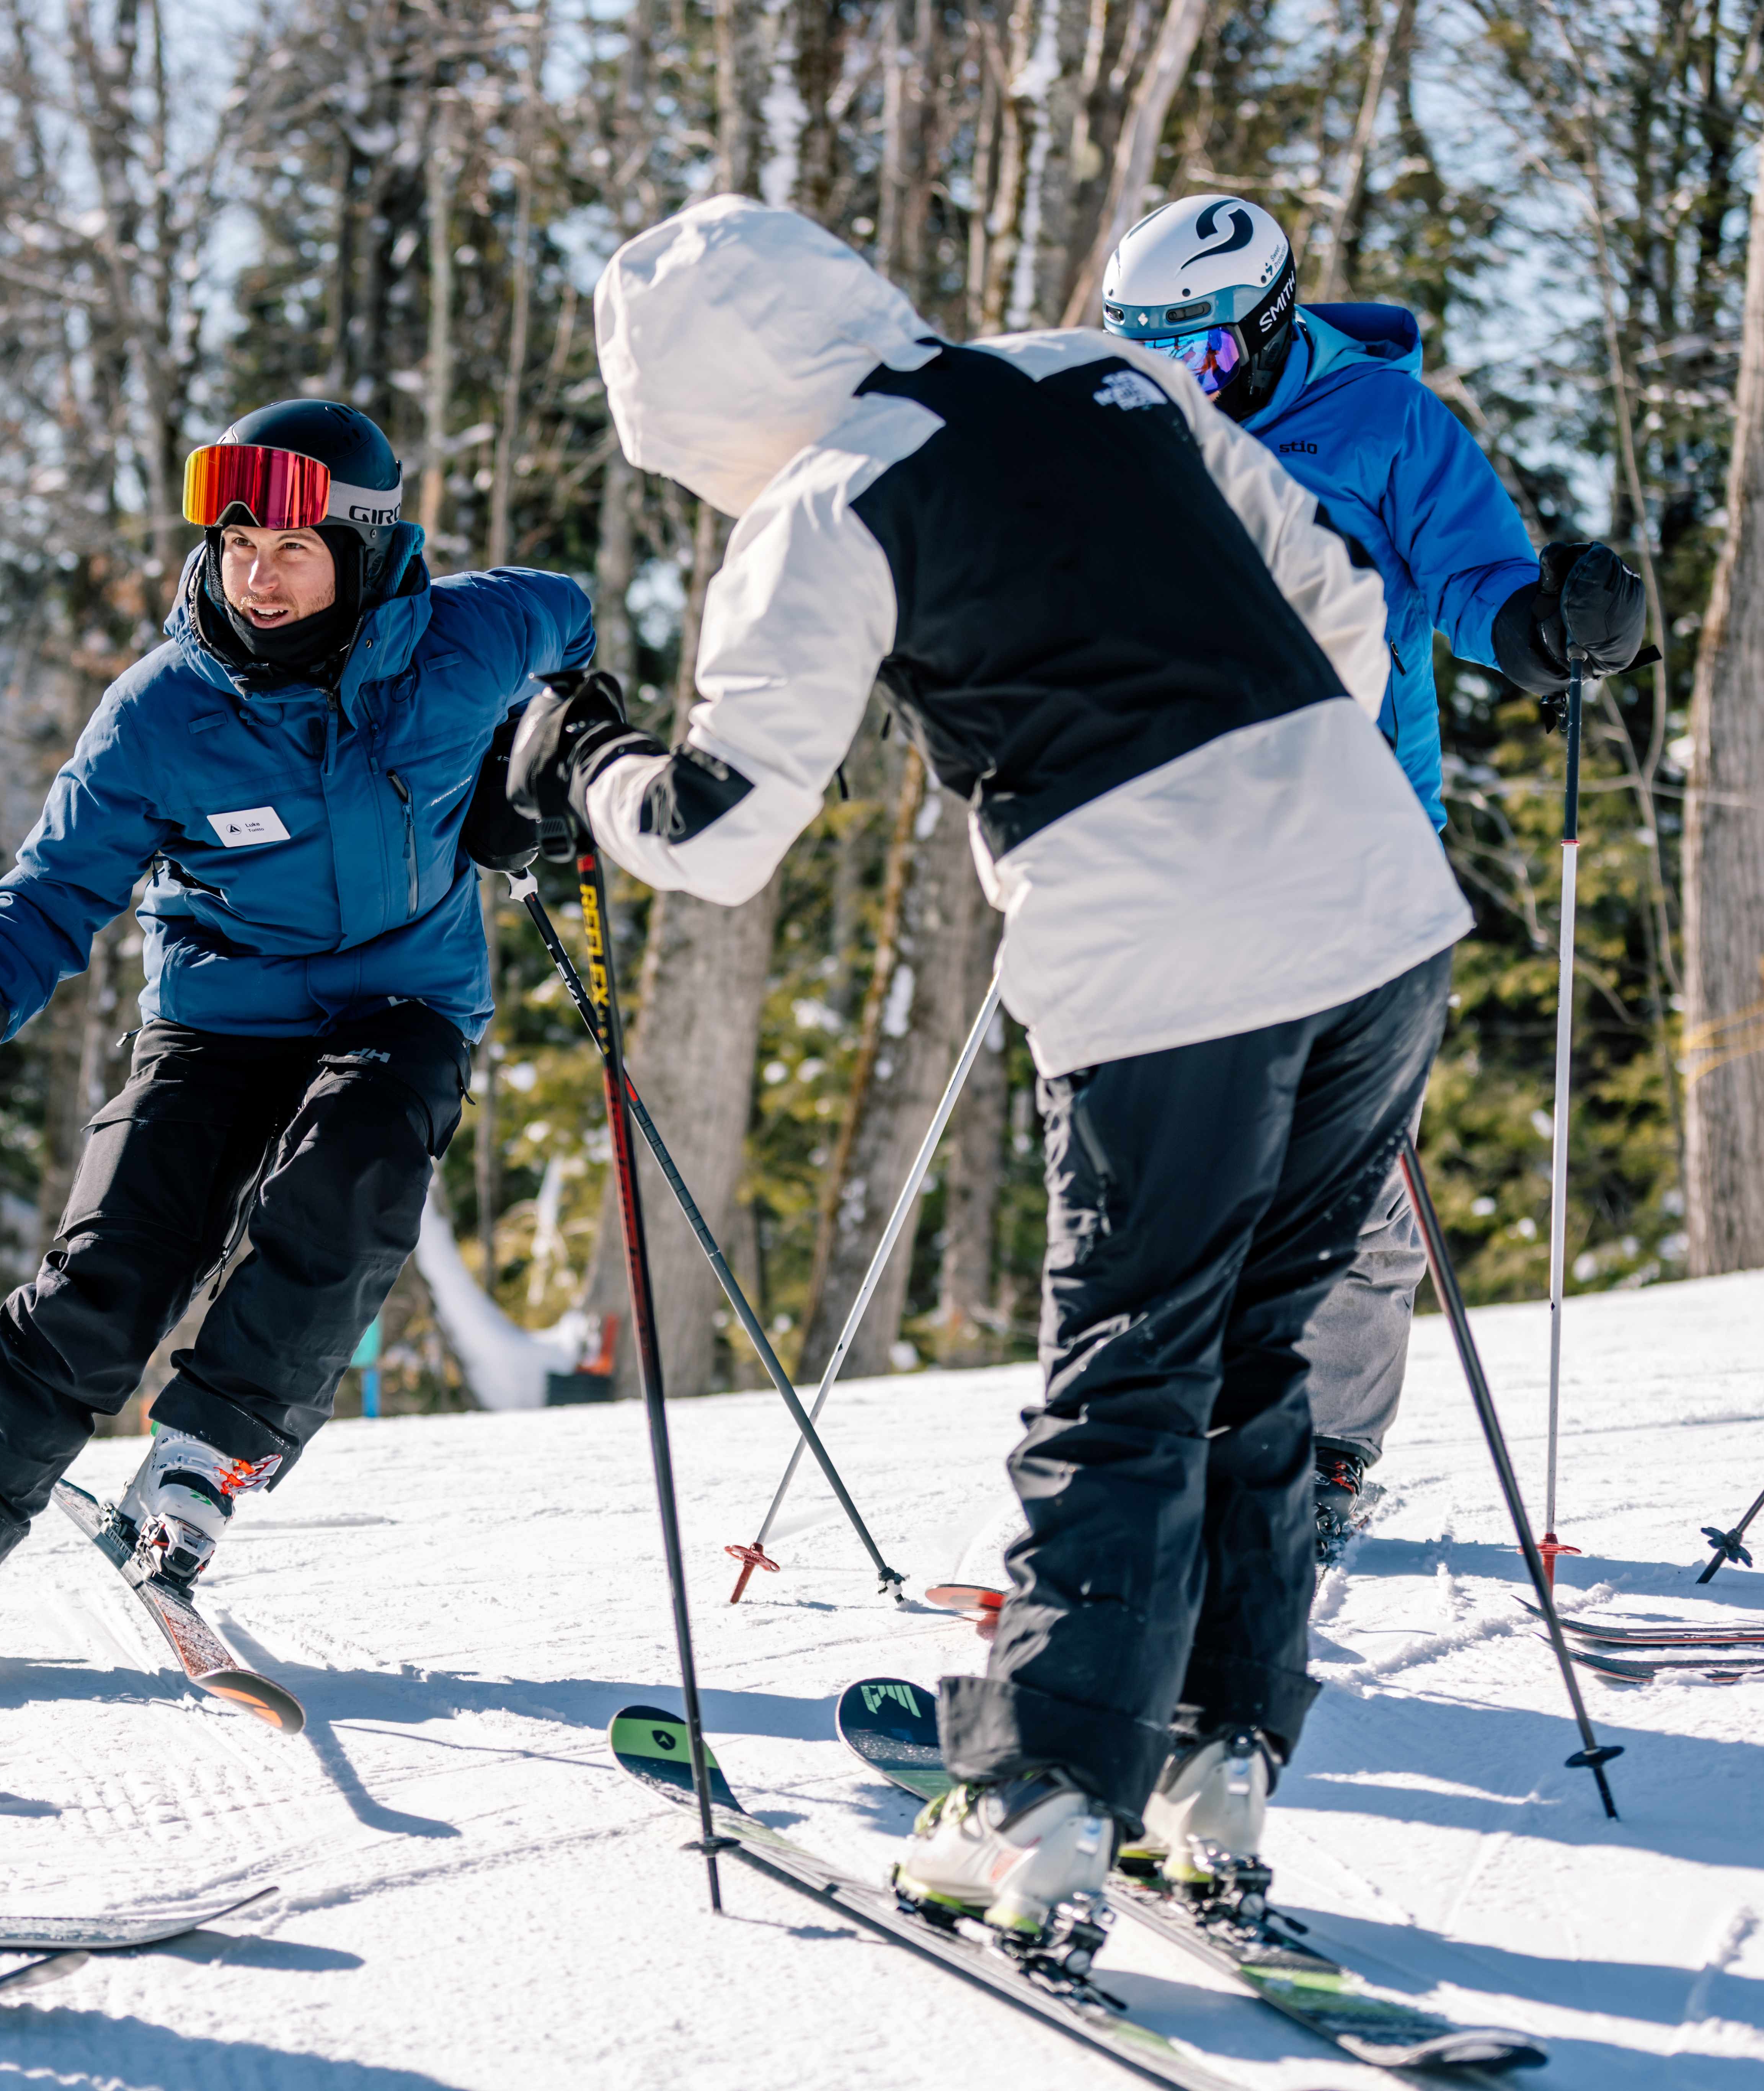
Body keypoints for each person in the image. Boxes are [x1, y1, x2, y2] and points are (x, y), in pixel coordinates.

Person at [513, 193, 1459, 1943]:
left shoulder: (824, 502)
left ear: (700, 414)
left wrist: (585, 765)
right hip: (1383, 911)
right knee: (1255, 1359)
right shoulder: (1099, 374)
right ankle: (1209, 1765)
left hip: (1166, 963)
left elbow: (716, 834)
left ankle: (1025, 1805)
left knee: (1129, 1371)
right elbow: (1339, 607)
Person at [0, 399, 592, 1673]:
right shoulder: (162, 712)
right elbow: (58, 887)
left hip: (404, 1003)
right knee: (112, 1273)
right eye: (237, 548)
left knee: (351, 1190)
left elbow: (573, 619)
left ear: (366, 549)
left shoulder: (472, 637)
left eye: (291, 552)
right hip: (218, 1020)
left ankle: (200, 1465)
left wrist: (529, 752)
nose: (259, 579)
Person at [1099, 195, 1650, 1550]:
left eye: (1205, 357)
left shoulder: (1388, 428)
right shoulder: (1126, 420)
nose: (1183, 387)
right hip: (1174, 833)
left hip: (1356, 840)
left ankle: (1329, 1452)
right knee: (1152, 1157)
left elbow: (1477, 578)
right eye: (1146, 354)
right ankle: (1153, 1448)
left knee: (1348, 1161)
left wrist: (1543, 630)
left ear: (1272, 321)